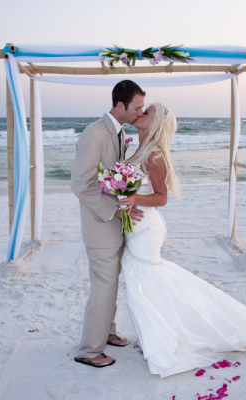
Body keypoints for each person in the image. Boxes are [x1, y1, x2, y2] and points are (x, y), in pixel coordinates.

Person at [116, 102, 246, 377]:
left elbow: (161, 197)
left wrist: (134, 199)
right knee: (145, 278)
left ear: (156, 123)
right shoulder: (136, 148)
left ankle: (168, 337)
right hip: (136, 224)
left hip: (146, 228)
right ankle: (164, 333)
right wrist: (124, 199)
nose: (140, 113)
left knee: (143, 276)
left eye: (146, 112)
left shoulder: (154, 156)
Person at [70, 80, 146, 368]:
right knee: (104, 287)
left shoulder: (120, 131)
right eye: (136, 107)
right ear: (120, 105)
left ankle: (108, 333)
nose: (139, 112)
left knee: (111, 284)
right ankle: (89, 351)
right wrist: (113, 210)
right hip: (99, 225)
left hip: (114, 224)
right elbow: (80, 183)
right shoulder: (95, 133)